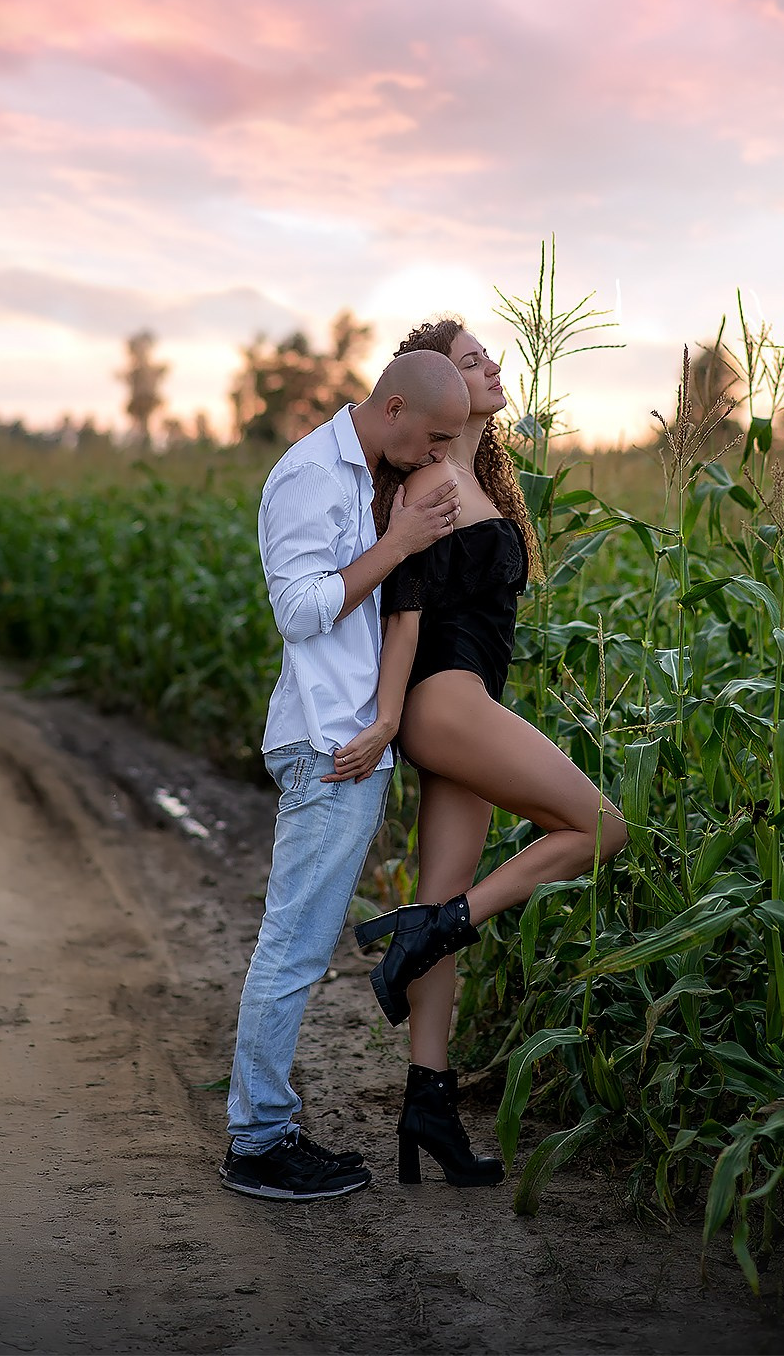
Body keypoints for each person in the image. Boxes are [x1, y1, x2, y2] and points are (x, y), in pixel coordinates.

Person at [355, 320, 629, 1188]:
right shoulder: (430, 483)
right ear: (435, 380)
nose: (491, 367)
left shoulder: (476, 477)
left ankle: (426, 1102)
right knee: (599, 827)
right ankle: (432, 929)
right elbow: (404, 605)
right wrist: (394, 717)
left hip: (466, 706)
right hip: (446, 701)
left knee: (441, 901)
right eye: (471, 361)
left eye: (486, 357)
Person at [222, 349, 471, 1202]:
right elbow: (296, 611)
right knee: (291, 948)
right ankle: (256, 1143)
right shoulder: (310, 477)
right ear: (393, 406)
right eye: (434, 436)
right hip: (329, 747)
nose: (439, 453)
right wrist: (400, 540)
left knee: (296, 943)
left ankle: (267, 1129)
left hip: (350, 742)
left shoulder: (367, 476)